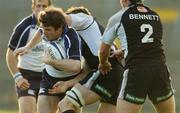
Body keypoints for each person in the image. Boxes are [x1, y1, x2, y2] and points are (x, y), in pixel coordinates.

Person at [98, 0, 176, 113]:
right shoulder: (155, 15)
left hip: (136, 71)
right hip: (160, 70)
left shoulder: (119, 17)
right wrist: (124, 51)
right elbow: (148, 44)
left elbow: (103, 50)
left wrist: (104, 63)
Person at [54, 6, 124, 113]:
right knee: (70, 106)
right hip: (118, 76)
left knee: (65, 104)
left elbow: (62, 19)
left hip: (106, 72)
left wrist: (48, 19)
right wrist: (67, 84)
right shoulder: (93, 39)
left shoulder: (83, 19)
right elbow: (86, 71)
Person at [6, 0, 51, 113]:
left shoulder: (56, 26)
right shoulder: (23, 27)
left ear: (50, 8)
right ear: (33, 7)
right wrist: (18, 77)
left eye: (44, 6)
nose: (41, 9)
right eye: (38, 6)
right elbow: (10, 54)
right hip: (27, 77)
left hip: (47, 77)